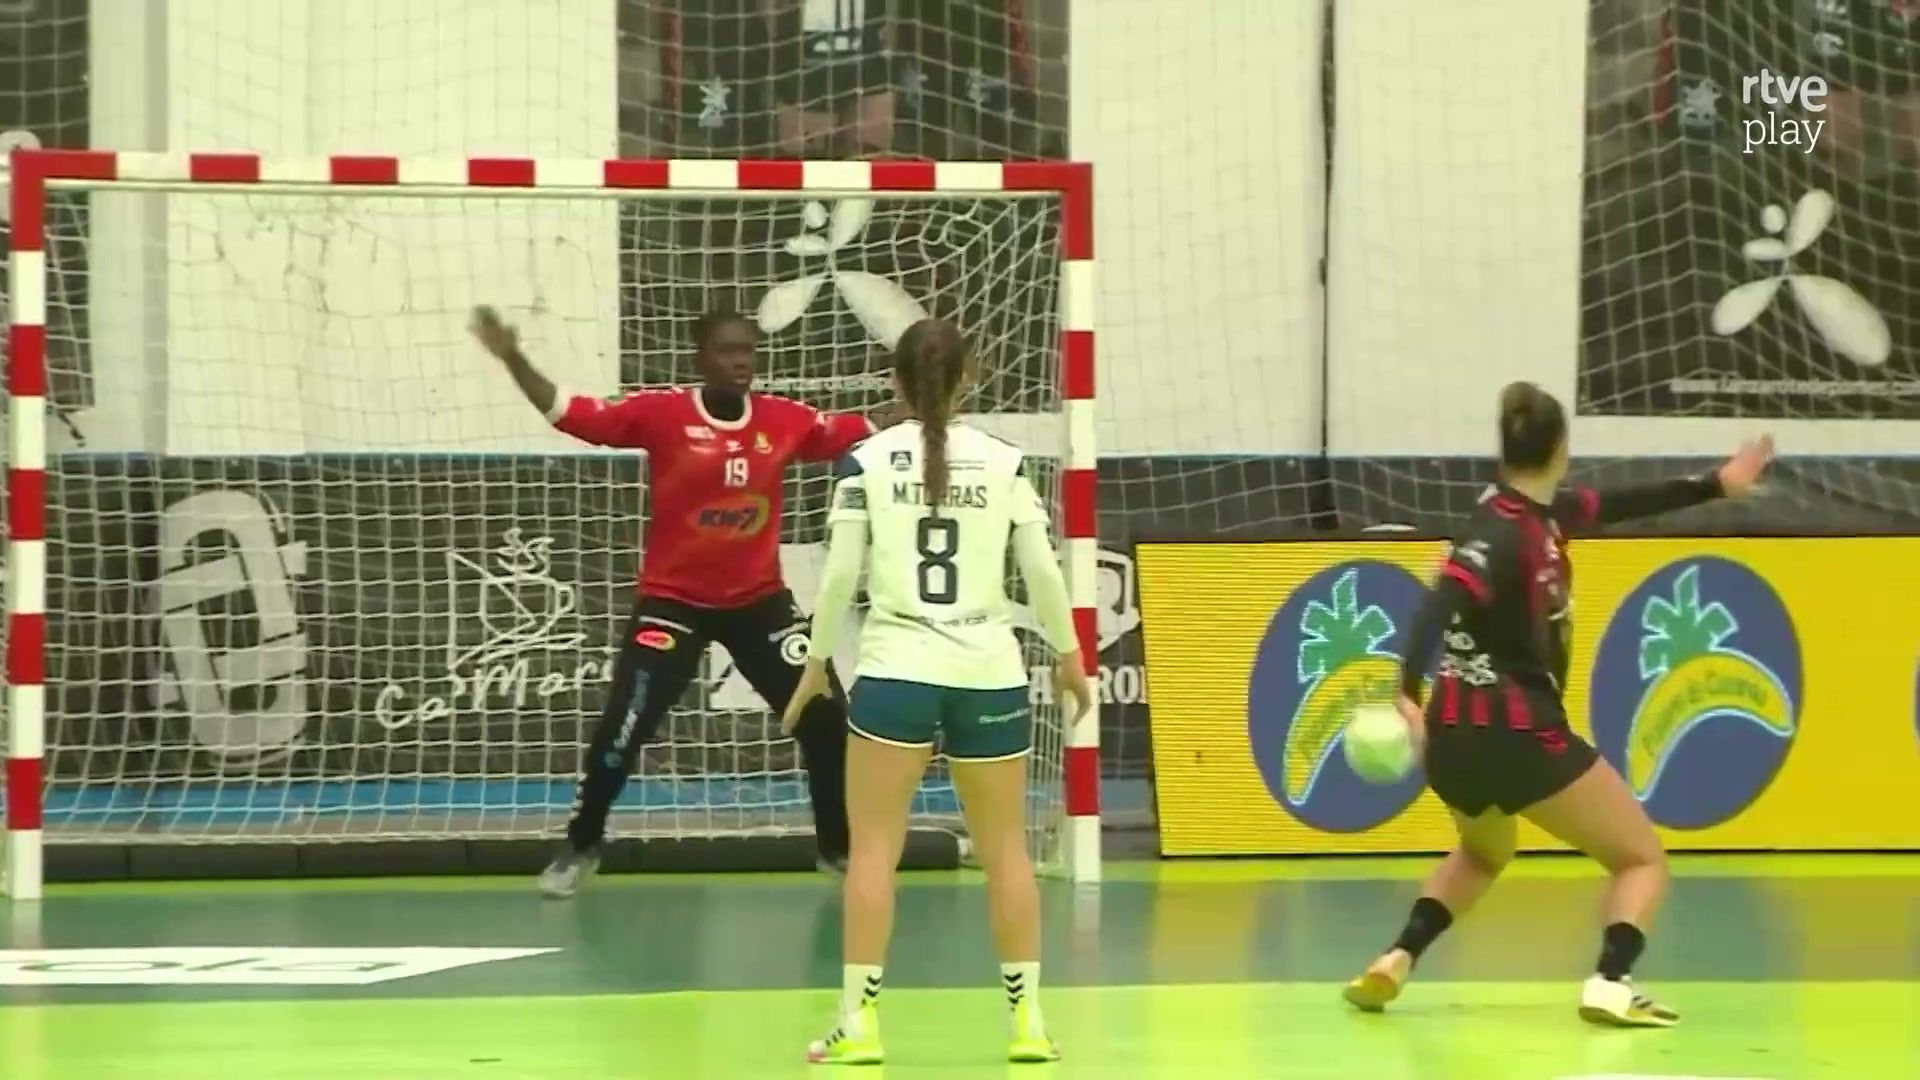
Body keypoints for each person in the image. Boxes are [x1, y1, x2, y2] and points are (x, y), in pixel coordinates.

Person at [1343, 381, 1774, 1028]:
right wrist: (1404, 690)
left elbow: (1625, 502)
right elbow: (1439, 601)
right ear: (1561, 448)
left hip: (1453, 738)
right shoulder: (1502, 535)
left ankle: (1396, 957)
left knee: (1484, 853)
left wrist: (1717, 482)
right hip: (1521, 736)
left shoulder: (1539, 514)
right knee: (1640, 859)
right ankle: (1611, 981)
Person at [468, 304, 874, 897]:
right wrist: (513, 358)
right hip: (673, 604)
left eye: (748, 351)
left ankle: (839, 850)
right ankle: (581, 844)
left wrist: (925, 400)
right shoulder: (661, 414)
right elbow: (570, 414)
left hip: (758, 603)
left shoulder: (785, 420)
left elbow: (865, 428)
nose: (741, 362)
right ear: (699, 358)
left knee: (825, 715)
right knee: (624, 726)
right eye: (727, 351)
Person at [780, 317, 1089, 1065]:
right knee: (1007, 853)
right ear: (970, 377)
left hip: (897, 673)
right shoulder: (1006, 462)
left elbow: (840, 573)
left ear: (893, 381)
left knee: (873, 854)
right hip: (989, 672)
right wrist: (1070, 654)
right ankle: (1029, 1023)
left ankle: (859, 1023)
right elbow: (1042, 571)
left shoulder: (864, 461)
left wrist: (816, 662)